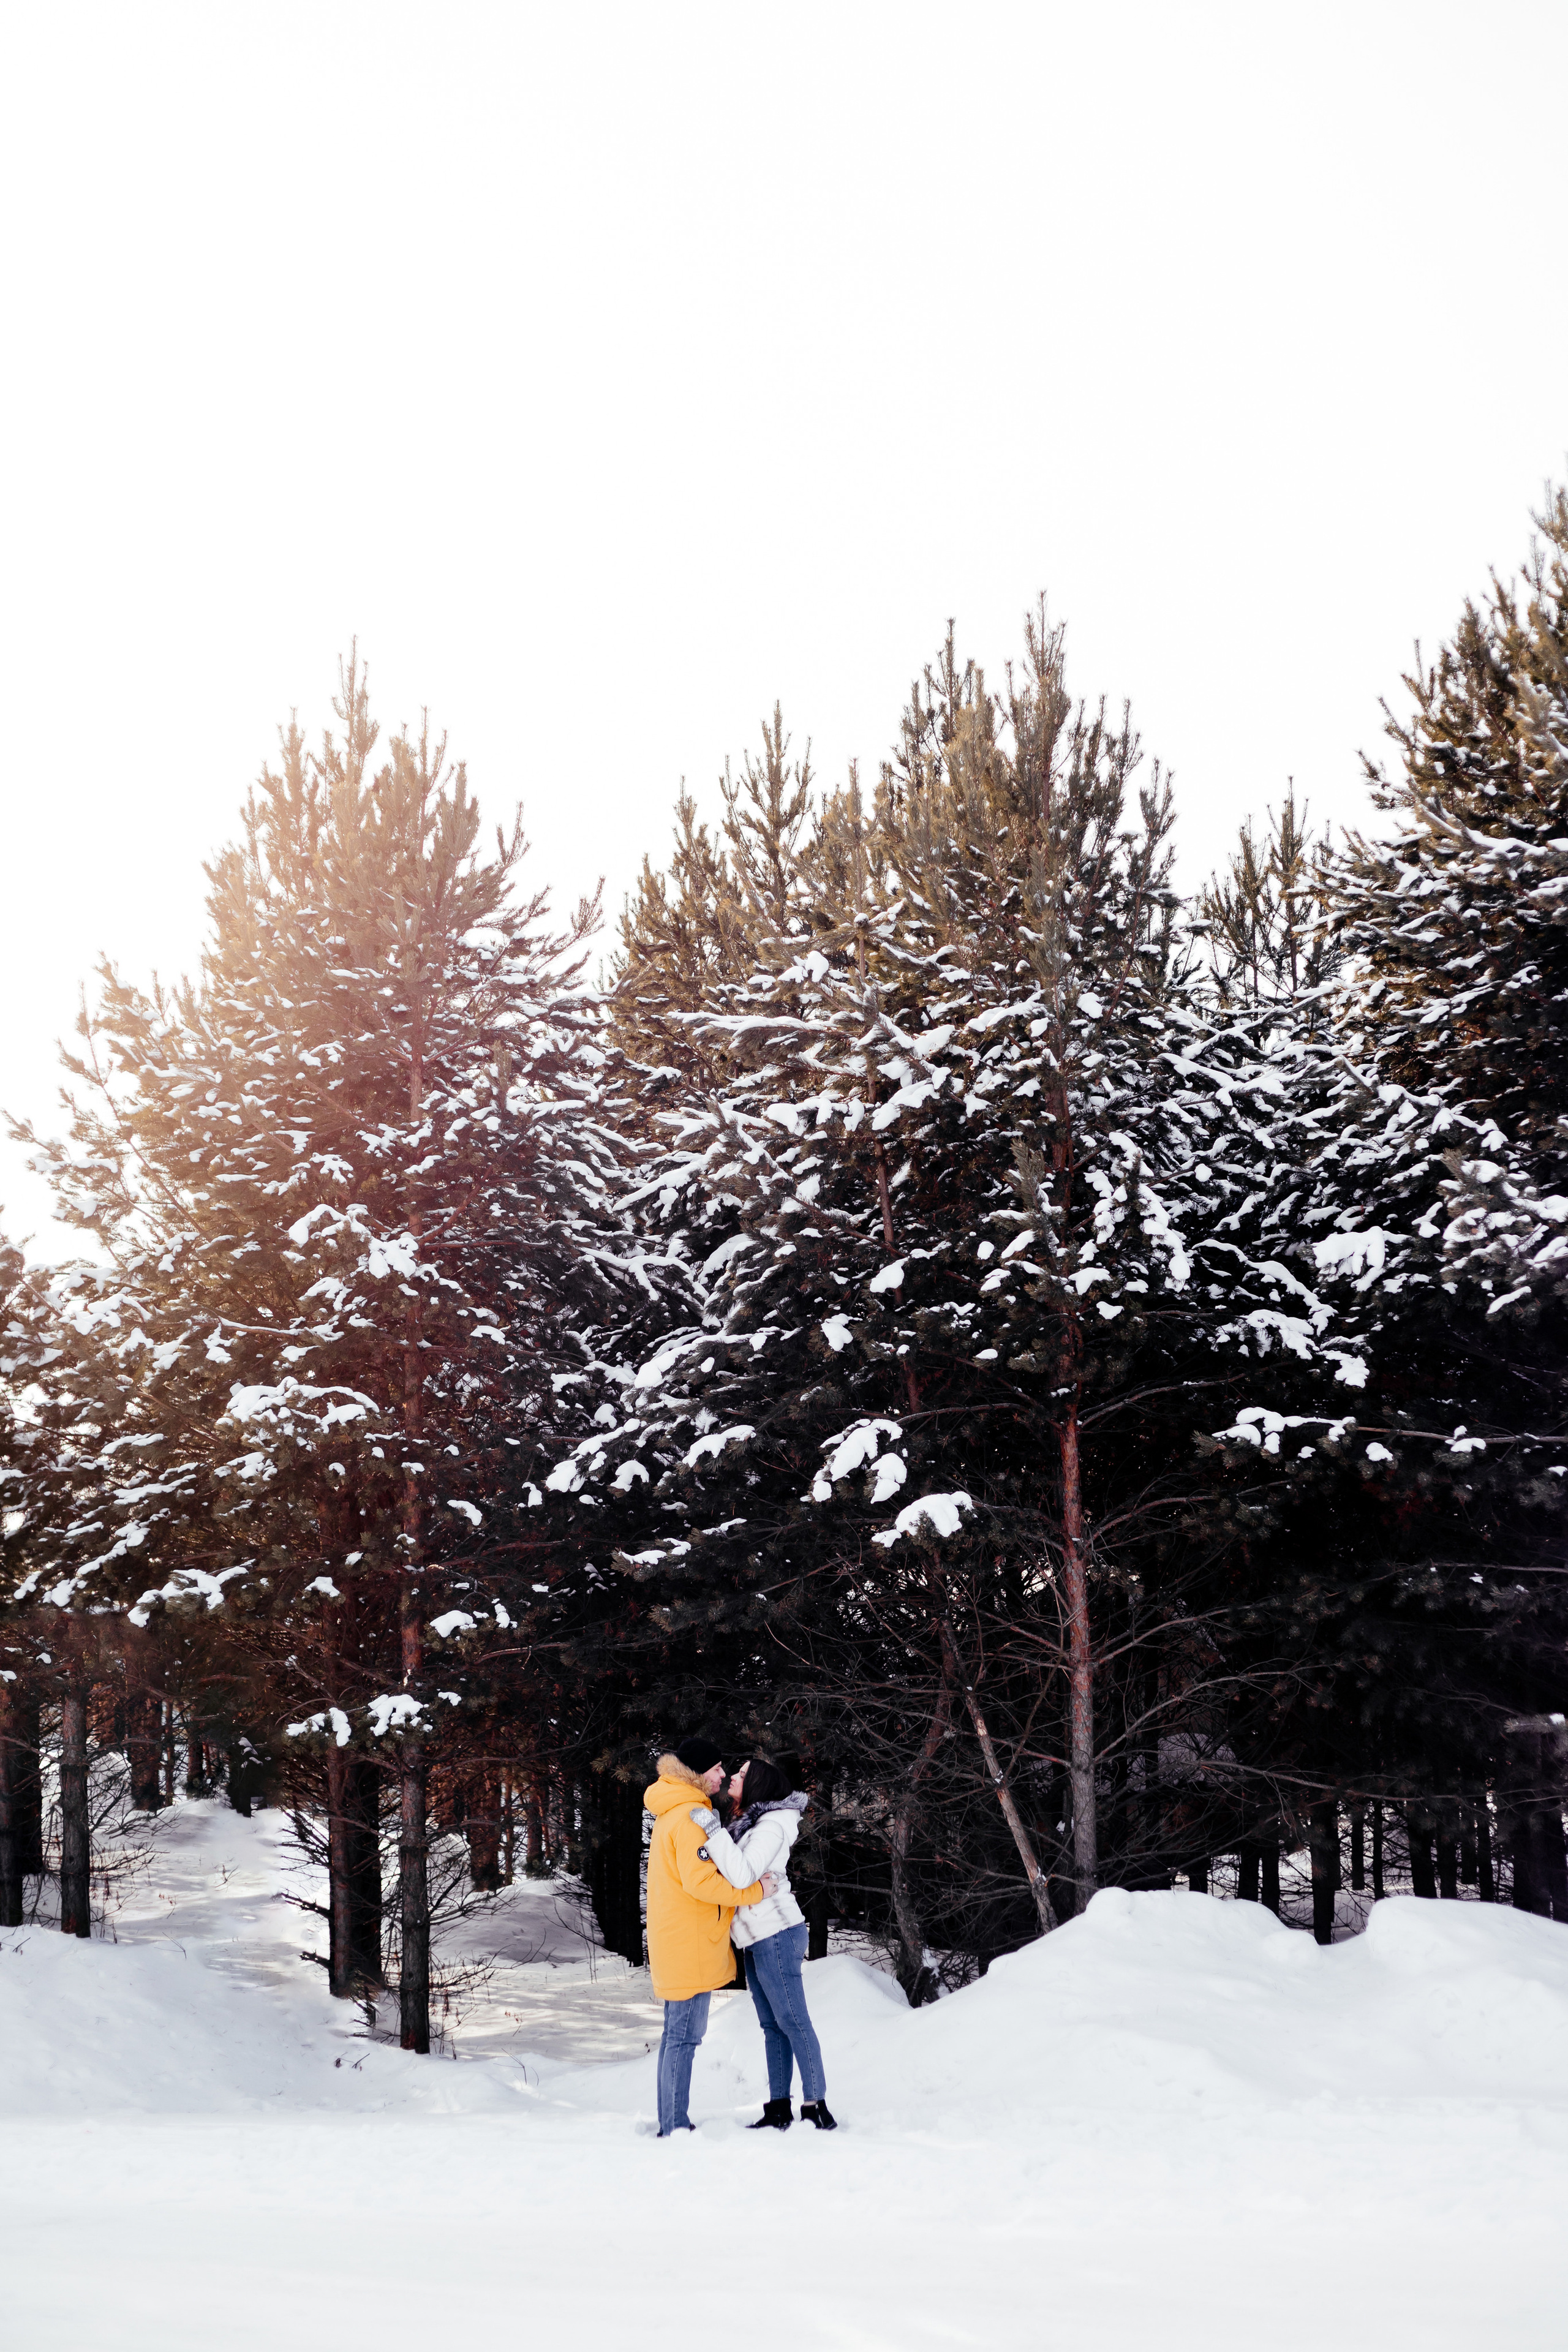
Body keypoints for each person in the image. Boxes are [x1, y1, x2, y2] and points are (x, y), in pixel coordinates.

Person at [693, 1755, 837, 2131]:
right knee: (772, 2025)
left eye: (742, 1774)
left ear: (758, 1784)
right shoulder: (751, 1824)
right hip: (757, 1937)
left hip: (776, 1931)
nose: (734, 1778)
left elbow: (741, 1875)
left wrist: (713, 1831)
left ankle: (815, 2104)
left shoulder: (772, 1825)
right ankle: (778, 2108)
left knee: (793, 2021)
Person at [643, 1736, 778, 2137]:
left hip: (680, 1937)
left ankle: (672, 2120)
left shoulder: (678, 1809)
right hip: (689, 1942)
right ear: (700, 1773)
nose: (723, 1773)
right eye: (718, 1768)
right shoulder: (688, 1816)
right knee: (684, 2036)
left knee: (676, 2035)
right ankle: (674, 2126)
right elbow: (701, 1883)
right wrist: (754, 1892)